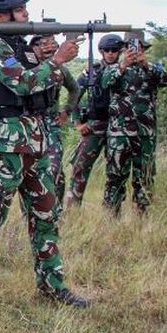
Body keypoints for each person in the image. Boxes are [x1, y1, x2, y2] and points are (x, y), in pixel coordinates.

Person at [0, 0, 90, 310]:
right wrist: (58, 58)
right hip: (5, 145)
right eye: (21, 11)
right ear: (1, 15)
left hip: (38, 144)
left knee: (46, 216)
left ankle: (52, 285)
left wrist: (55, 54)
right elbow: (22, 82)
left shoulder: (23, 46)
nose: (27, 16)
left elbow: (47, 81)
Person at [101, 37, 167, 214]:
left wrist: (146, 64)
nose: (135, 52)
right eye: (131, 49)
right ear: (124, 50)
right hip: (119, 133)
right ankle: (111, 215)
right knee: (115, 175)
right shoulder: (114, 68)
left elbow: (165, 80)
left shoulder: (153, 69)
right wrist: (123, 65)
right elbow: (105, 82)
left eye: (139, 49)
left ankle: (142, 215)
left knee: (145, 176)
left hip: (145, 133)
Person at [66, 34, 124, 206]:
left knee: (116, 170)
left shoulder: (126, 69)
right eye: (108, 50)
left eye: (115, 50)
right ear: (101, 51)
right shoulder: (93, 70)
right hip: (95, 124)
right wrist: (78, 123)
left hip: (119, 127)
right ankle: (72, 208)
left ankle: (112, 210)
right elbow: (74, 93)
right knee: (80, 166)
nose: (111, 53)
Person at [30, 34, 79, 215]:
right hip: (29, 123)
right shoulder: (27, 68)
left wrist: (66, 111)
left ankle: (55, 212)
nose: (45, 48)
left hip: (51, 123)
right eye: (40, 45)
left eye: (49, 45)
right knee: (28, 172)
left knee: (53, 169)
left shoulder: (60, 69)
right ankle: (28, 213)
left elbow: (75, 89)